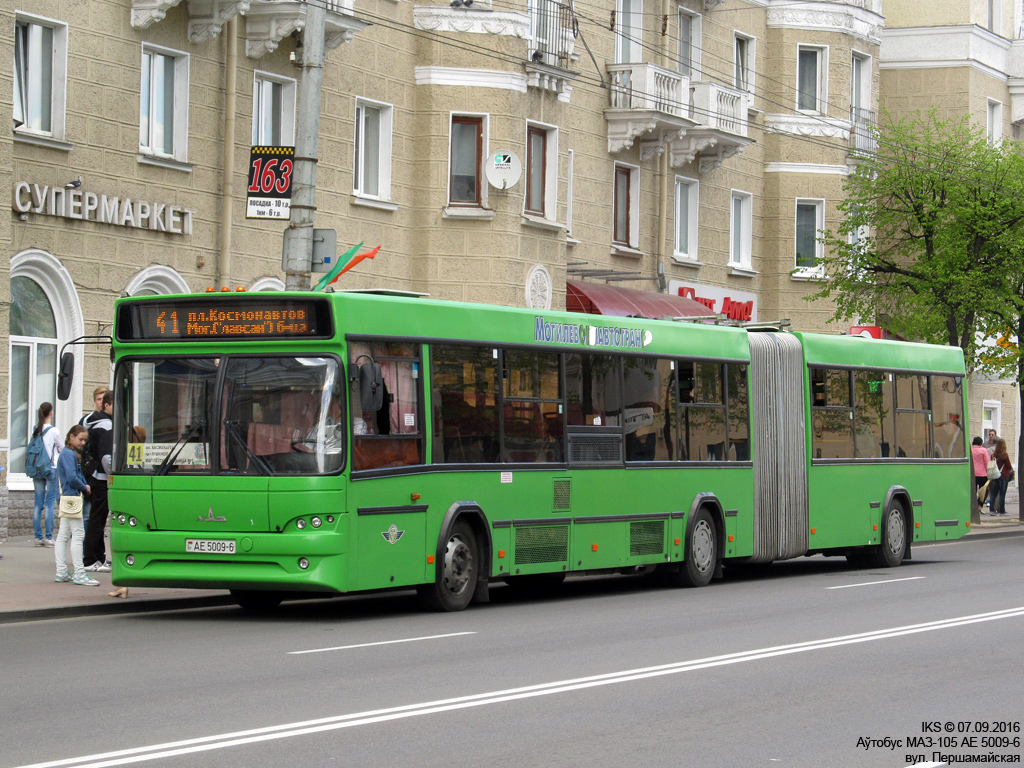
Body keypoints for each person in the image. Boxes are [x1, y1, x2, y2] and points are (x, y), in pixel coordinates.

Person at [54, 425, 98, 587]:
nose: (83, 443)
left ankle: (62, 571)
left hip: (67, 497)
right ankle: (79, 573)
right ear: (71, 437)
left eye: (85, 440)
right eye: (80, 439)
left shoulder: (66, 454)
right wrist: (84, 487)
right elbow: (72, 477)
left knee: (63, 536)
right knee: (78, 535)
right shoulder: (68, 455)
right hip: (72, 497)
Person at [82, 391, 113, 572]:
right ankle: (90, 560)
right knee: (97, 520)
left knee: (98, 519)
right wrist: (113, 476)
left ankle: (99, 558)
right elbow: (106, 457)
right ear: (106, 405)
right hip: (102, 478)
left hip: (93, 476)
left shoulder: (91, 422)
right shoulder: (106, 426)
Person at [30, 403, 62, 547]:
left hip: (37, 469)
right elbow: (61, 447)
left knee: (38, 504)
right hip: (51, 468)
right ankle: (49, 538)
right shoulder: (54, 430)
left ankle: (38, 538)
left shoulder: (35, 430)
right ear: (51, 413)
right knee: (49, 504)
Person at [78, 386, 109, 529]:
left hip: (101, 471)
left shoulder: (112, 419)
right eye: (98, 399)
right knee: (89, 511)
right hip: (90, 469)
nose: (101, 402)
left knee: (97, 513)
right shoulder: (88, 420)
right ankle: (86, 542)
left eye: (103, 399)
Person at [990, 438, 1014, 515]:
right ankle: (1002, 511)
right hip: (1003, 475)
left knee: (994, 493)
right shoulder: (1005, 455)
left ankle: (992, 510)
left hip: (995, 475)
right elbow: (1008, 466)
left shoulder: (993, 455)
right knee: (1002, 493)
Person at [971, 436, 990, 504]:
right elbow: (987, 462)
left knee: (973, 491)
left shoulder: (970, 450)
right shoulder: (983, 450)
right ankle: (980, 504)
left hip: (972, 474)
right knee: (984, 491)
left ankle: (973, 505)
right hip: (982, 474)